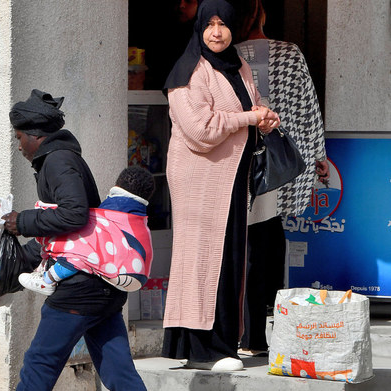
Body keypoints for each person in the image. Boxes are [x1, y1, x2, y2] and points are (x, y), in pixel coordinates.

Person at [160, 0, 280, 372]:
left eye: (223, 24)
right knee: (201, 259)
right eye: (209, 24)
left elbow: (253, 104)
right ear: (199, 28)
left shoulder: (236, 65)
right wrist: (248, 117)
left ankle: (224, 344)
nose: (216, 32)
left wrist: (265, 117)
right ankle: (203, 348)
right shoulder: (188, 72)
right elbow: (200, 130)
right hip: (199, 181)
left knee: (228, 261)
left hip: (230, 180)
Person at [3, 89, 147, 390]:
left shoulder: (57, 161)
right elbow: (70, 234)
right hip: (100, 288)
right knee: (119, 373)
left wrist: (23, 221)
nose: (18, 146)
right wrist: (20, 261)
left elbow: (74, 215)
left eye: (19, 137)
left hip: (79, 289)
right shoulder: (57, 159)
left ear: (34, 134)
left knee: (39, 364)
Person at [233, 0, 329, 356]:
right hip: (276, 166)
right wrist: (318, 154)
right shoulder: (289, 53)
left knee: (241, 247)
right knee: (268, 244)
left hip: (238, 164)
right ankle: (259, 335)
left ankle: (243, 334)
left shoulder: (227, 55)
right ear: (261, 13)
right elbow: (308, 106)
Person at [18, 165, 155, 295]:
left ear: (118, 185)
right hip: (140, 274)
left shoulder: (114, 206)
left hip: (123, 271)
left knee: (80, 245)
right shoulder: (138, 217)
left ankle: (48, 279)